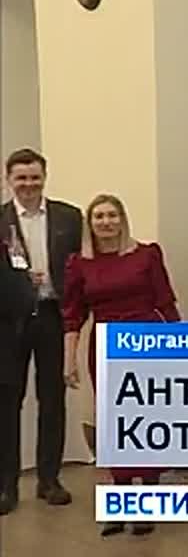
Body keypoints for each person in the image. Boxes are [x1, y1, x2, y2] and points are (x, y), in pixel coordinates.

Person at [61, 194, 181, 536]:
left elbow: (166, 302)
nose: (106, 222)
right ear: (90, 223)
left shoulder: (146, 255)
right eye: (99, 216)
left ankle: (149, 501)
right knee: (116, 423)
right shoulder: (79, 263)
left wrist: (183, 347)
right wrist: (69, 360)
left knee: (148, 420)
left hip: (148, 342)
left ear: (122, 219)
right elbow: (73, 316)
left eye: (112, 215)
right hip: (107, 346)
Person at [0, 149, 81, 510]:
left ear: (44, 177)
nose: (29, 184)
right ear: (9, 180)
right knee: (6, 404)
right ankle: (7, 486)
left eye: (35, 177)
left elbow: (81, 267)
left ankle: (49, 480)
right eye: (21, 178)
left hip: (52, 317)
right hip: (8, 322)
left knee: (53, 401)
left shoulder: (69, 217)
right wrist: (18, 284)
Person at [0, 228, 36, 515]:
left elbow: (22, 299)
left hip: (4, 350)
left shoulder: (8, 250)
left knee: (5, 422)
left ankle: (6, 487)